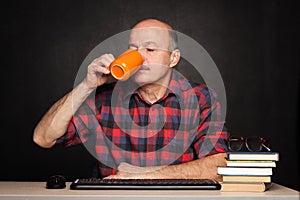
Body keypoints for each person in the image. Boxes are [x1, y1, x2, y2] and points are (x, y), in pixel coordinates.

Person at [33, 18, 229, 181]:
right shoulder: (104, 98)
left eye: (150, 50)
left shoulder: (202, 99)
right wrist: (87, 85)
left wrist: (144, 175)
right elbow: (43, 138)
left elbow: (218, 167)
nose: (140, 58)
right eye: (134, 49)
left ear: (173, 58)